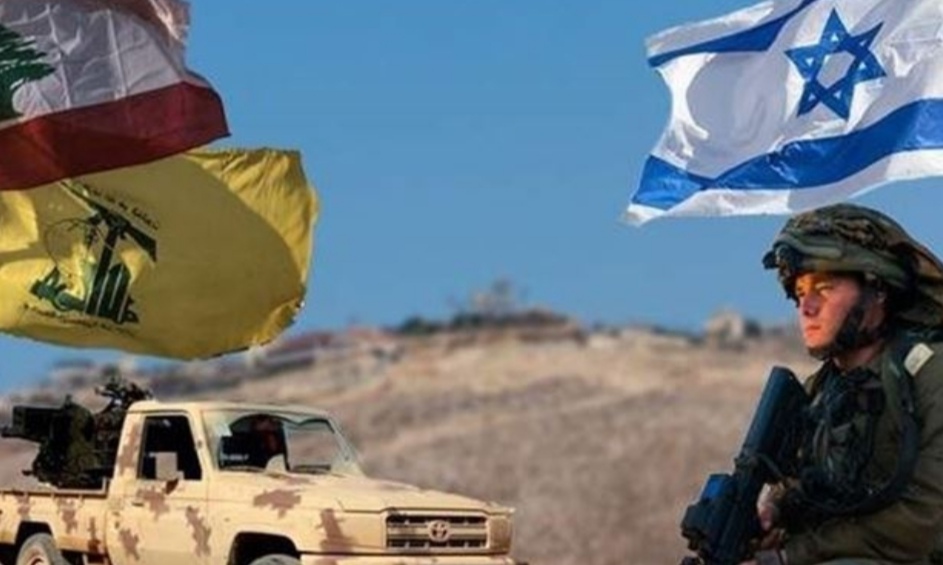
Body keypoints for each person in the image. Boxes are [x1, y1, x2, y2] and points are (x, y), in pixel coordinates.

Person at [744, 203, 943, 565]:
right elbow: (807, 488)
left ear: (878, 290)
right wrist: (776, 511)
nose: (807, 307)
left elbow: (924, 522)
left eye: (824, 288)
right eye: (800, 293)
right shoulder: (818, 393)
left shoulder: (929, 375)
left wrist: (791, 556)